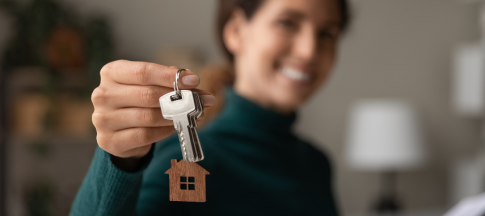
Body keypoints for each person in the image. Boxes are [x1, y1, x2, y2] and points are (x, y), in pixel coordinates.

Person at [70, 0, 350, 215]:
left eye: (327, 34)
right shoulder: (186, 162)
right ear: (236, 30)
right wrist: (121, 158)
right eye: (288, 23)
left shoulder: (316, 164)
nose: (309, 50)